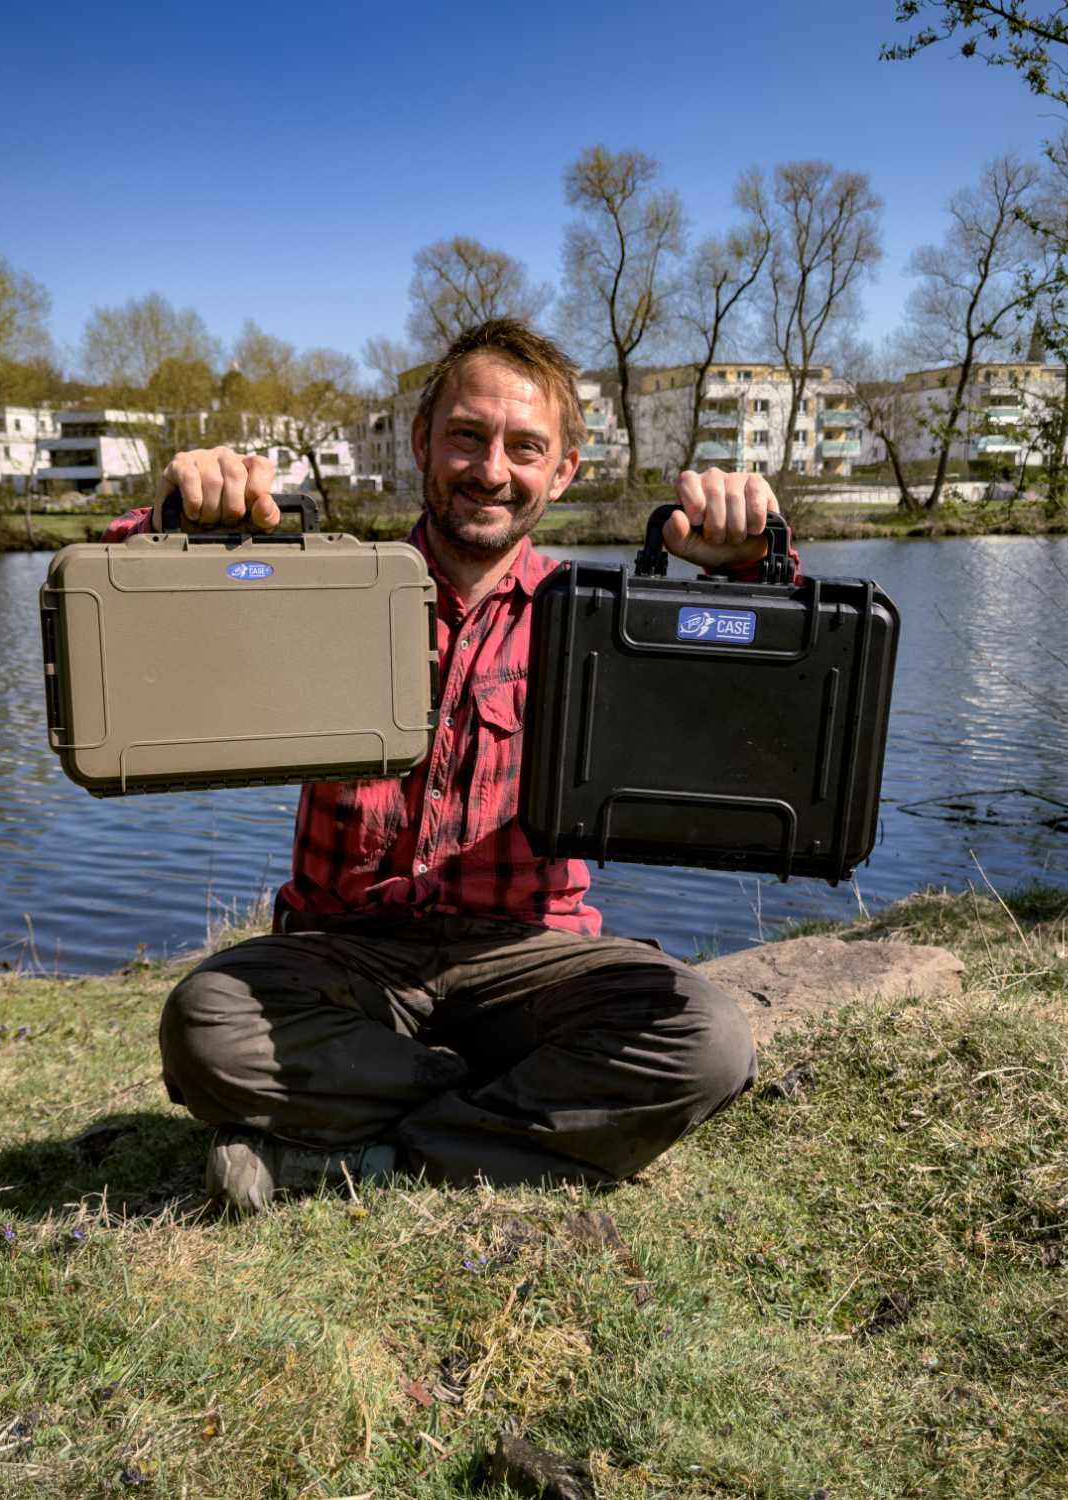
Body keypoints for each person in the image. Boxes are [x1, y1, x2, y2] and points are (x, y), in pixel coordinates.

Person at [105, 319, 786, 1211]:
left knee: (707, 1040)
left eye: (525, 447)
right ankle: (499, 1114)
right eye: (467, 436)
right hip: (344, 957)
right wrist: (174, 520)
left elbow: (761, 716)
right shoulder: (318, 591)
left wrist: (749, 571)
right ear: (422, 443)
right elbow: (135, 625)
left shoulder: (602, 622)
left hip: (535, 959)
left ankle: (361, 1150)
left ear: (565, 470)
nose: (491, 469)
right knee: (205, 1024)